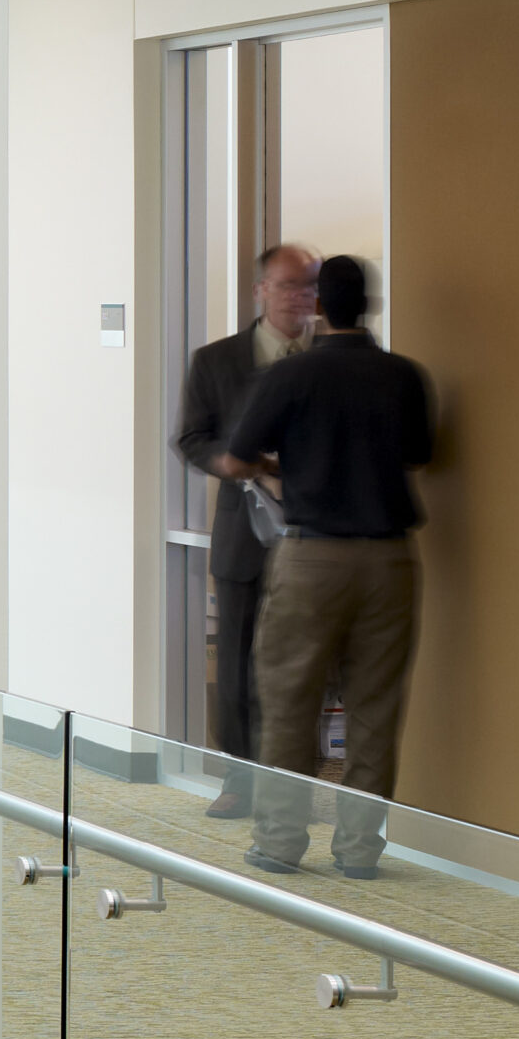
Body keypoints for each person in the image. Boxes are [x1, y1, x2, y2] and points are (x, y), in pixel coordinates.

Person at [222, 250, 435, 880]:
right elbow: (420, 456)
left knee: (290, 700)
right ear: (369, 305)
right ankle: (359, 852)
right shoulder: (405, 375)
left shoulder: (291, 376)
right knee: (376, 706)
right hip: (392, 560)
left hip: (312, 555)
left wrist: (281, 466)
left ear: (318, 305)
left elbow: (236, 458)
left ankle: (280, 844)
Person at [173, 242, 317, 812]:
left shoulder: (325, 360)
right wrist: (227, 463)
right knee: (235, 654)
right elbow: (190, 438)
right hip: (243, 526)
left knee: (301, 656)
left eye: (308, 287)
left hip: (313, 532)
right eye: (287, 286)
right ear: (260, 290)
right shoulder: (217, 360)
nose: (298, 298)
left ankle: (291, 781)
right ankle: (240, 777)